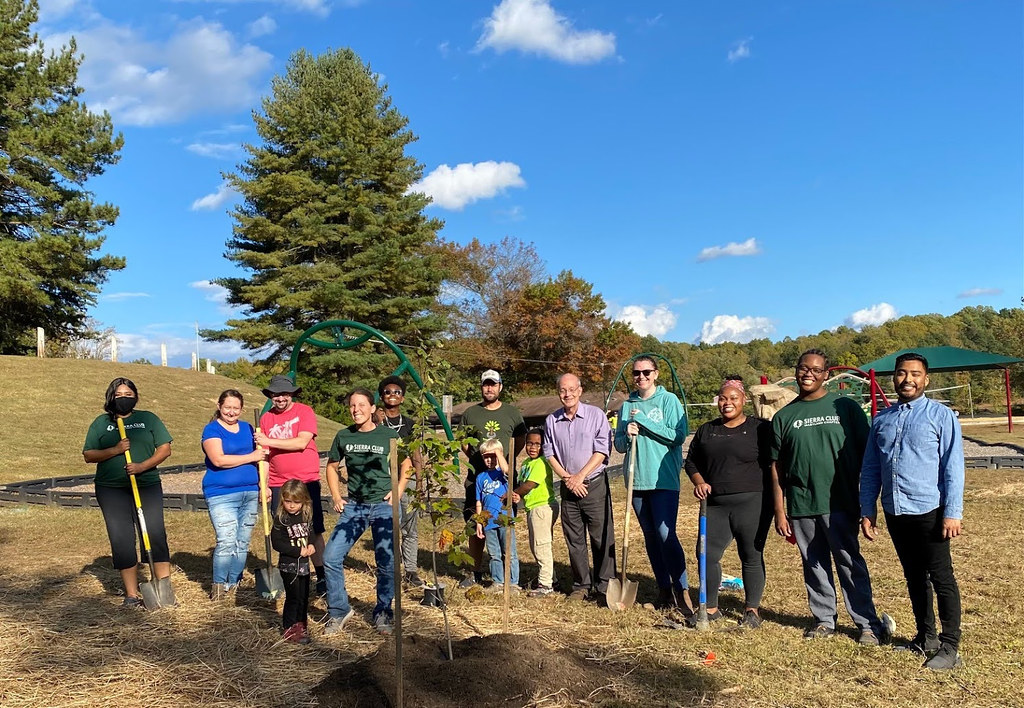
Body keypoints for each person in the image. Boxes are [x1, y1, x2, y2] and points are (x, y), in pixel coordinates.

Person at [771, 349, 892, 645]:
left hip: (841, 501)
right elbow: (775, 467)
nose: (808, 374)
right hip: (801, 504)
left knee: (849, 563)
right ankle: (824, 620)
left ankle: (867, 624)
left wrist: (868, 504)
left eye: (815, 369)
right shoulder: (784, 416)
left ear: (826, 374)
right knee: (814, 564)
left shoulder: (845, 408)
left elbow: (869, 458)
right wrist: (779, 509)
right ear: (796, 371)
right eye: (803, 368)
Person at [860, 353, 965, 670]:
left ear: (926, 379)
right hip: (895, 510)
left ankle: (950, 646)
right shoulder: (882, 420)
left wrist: (953, 512)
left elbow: (953, 467)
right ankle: (926, 637)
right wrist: (868, 510)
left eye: (915, 374)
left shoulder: (941, 416)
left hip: (930, 510)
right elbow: (870, 469)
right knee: (914, 575)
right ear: (894, 378)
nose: (908, 379)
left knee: (941, 577)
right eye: (902, 373)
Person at [323, 388, 414, 636]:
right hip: (355, 506)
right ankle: (339, 611)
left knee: (386, 562)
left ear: (373, 409)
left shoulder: (388, 436)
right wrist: (336, 495)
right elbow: (331, 467)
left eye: (362, 405)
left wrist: (398, 490)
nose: (356, 410)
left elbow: (406, 465)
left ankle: (383, 612)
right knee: (330, 557)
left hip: (383, 507)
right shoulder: (343, 436)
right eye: (352, 405)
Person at [684, 377, 773, 629]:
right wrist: (699, 481)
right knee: (706, 554)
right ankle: (711, 608)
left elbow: (774, 462)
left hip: (753, 502)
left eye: (733, 398)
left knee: (751, 555)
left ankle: (752, 610)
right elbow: (691, 462)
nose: (727, 403)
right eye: (723, 398)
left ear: (743, 400)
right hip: (715, 504)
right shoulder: (707, 430)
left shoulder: (760, 429)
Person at [83, 377, 173, 608]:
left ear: (136, 396)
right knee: (121, 539)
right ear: (111, 397)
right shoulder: (101, 423)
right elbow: (89, 455)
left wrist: (142, 466)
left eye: (128, 394)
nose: (124, 398)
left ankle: (163, 589)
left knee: (154, 533)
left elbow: (165, 449)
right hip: (111, 489)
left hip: (146, 484)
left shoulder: (148, 419)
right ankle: (131, 594)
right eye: (119, 395)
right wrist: (116, 449)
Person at [613, 357, 692, 613]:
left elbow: (678, 435)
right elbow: (619, 446)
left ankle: (682, 591)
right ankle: (664, 591)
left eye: (646, 372)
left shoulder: (668, 401)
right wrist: (627, 434)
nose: (641, 377)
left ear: (655, 374)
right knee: (650, 537)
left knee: (665, 535)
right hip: (637, 481)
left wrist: (646, 422)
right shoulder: (627, 406)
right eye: (636, 373)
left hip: (663, 480)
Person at [545, 373, 615, 602]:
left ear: (580, 391)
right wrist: (568, 478)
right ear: (558, 392)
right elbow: (549, 454)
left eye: (572, 389)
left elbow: (603, 450)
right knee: (574, 539)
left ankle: (605, 586)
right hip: (568, 488)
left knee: (601, 537)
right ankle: (581, 585)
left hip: (593, 485)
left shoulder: (596, 416)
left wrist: (580, 476)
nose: (567, 394)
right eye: (563, 390)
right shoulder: (551, 421)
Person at [255, 375, 327, 596]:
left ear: (292, 394)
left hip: (305, 480)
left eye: (285, 393)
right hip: (278, 482)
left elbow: (302, 441)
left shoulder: (304, 412)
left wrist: (268, 441)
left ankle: (322, 575)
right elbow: (264, 456)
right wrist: (263, 485)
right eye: (276, 394)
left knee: (312, 528)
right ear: (271, 396)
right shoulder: (266, 419)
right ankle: (289, 570)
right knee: (283, 527)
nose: (281, 398)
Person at [459, 369, 528, 588]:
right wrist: (477, 460)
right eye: (486, 384)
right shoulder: (471, 413)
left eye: (493, 384)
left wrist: (505, 461)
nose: (489, 388)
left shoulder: (511, 413)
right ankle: (475, 570)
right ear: (481, 387)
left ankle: (508, 576)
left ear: (500, 387)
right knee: (476, 523)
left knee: (504, 523)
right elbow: (464, 442)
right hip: (478, 479)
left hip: (504, 480)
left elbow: (520, 439)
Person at [202, 389, 266, 599]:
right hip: (221, 494)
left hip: (249, 491)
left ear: (241, 409)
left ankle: (234, 581)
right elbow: (218, 459)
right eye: (227, 407)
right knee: (226, 540)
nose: (231, 412)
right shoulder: (212, 430)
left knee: (242, 541)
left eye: (235, 408)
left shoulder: (249, 428)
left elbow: (262, 458)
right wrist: (251, 456)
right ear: (219, 407)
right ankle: (219, 585)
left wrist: (263, 486)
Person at [373, 375, 424, 588]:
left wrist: (420, 483)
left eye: (397, 392)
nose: (392, 395)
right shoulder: (374, 421)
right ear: (381, 396)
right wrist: (377, 420)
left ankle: (410, 570)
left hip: (408, 480)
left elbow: (416, 454)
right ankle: (388, 570)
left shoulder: (410, 424)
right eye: (387, 392)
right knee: (389, 527)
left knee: (409, 527)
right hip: (385, 481)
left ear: (402, 398)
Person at [511, 428, 559, 597]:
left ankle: (546, 585)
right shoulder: (526, 464)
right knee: (537, 545)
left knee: (541, 546)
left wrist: (514, 493)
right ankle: (550, 577)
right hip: (533, 507)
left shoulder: (541, 463)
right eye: (530, 443)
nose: (532, 447)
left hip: (542, 507)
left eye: (537, 444)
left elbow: (529, 485)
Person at [271, 479, 317, 644]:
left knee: (304, 596)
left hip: (304, 565)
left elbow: (310, 533)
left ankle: (301, 624)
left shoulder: (306, 515)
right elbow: (277, 543)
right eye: (288, 501)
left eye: (296, 502)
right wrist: (298, 551)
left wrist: (311, 544)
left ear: (304, 501)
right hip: (288, 565)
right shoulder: (281, 519)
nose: (291, 505)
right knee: (293, 597)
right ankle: (290, 627)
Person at [475, 438, 520, 592]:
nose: (490, 460)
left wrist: (498, 454)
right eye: (486, 457)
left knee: (509, 552)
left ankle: (513, 583)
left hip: (504, 519)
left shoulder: (503, 474)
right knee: (494, 553)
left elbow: (508, 471)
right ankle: (497, 581)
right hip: (489, 522)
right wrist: (479, 522)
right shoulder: (481, 477)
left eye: (493, 456)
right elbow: (479, 502)